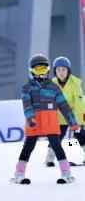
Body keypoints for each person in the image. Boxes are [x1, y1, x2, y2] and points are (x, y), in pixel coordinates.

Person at [12, 54, 80, 184]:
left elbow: (64, 106)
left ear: (48, 70)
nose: (41, 72)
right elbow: (27, 105)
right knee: (28, 147)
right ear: (32, 71)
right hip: (34, 122)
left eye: (43, 69)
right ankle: (19, 173)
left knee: (56, 146)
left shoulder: (54, 87)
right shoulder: (27, 88)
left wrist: (72, 122)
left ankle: (66, 173)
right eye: (38, 69)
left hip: (50, 122)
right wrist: (30, 118)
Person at [44, 56, 85, 166]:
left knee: (81, 135)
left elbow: (79, 103)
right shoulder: (51, 84)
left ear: (68, 71)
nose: (61, 72)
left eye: (64, 69)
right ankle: (49, 159)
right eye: (58, 70)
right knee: (56, 137)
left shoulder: (75, 83)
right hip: (59, 116)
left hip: (73, 114)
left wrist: (78, 121)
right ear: (54, 71)